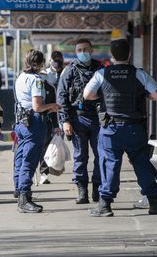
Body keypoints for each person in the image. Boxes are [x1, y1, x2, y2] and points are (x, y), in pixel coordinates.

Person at [83, 39, 157, 217]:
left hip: (110, 129)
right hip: (133, 129)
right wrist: (145, 95)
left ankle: (105, 205)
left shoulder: (102, 73)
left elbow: (87, 94)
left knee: (109, 164)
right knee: (141, 163)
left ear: (112, 56)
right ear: (129, 55)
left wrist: (102, 95)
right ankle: (154, 202)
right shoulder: (139, 74)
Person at [14, 49, 61, 213]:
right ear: (40, 63)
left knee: (20, 159)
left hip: (21, 121)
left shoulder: (21, 77)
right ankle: (24, 199)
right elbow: (38, 106)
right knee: (30, 161)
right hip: (33, 122)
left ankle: (19, 191)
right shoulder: (36, 81)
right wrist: (52, 106)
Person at [57, 38, 103, 204]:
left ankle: (98, 188)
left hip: (98, 119)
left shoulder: (100, 69)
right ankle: (82, 190)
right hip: (78, 118)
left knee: (101, 155)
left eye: (85, 49)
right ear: (76, 52)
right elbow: (61, 97)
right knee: (80, 156)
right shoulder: (69, 70)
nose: (83, 52)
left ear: (91, 50)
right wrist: (65, 121)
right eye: (79, 50)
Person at [38, 51, 64, 184]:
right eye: (54, 59)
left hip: (62, 112)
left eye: (59, 59)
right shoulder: (44, 76)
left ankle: (55, 165)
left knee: (57, 143)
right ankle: (44, 171)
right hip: (48, 113)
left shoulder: (65, 73)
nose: (57, 62)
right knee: (46, 144)